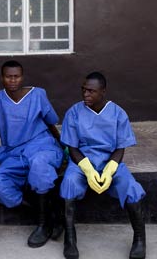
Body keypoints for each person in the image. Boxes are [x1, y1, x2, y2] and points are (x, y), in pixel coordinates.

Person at [60, 72, 146, 259]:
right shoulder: (74, 112)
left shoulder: (117, 113)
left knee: (131, 188)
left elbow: (120, 147)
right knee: (69, 184)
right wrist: (88, 170)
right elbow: (72, 147)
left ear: (103, 92)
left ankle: (139, 238)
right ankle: (70, 238)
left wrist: (109, 170)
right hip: (81, 161)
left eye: (91, 91)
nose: (86, 95)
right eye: (83, 90)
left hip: (110, 161)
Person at [0, 60, 64, 248]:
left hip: (41, 146)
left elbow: (50, 122)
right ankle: (50, 214)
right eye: (8, 76)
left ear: (22, 76)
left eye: (16, 76)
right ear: (2, 78)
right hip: (14, 153)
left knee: (39, 166)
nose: (12, 80)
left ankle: (42, 226)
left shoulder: (38, 94)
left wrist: (62, 145)